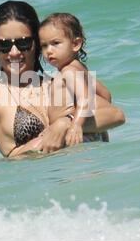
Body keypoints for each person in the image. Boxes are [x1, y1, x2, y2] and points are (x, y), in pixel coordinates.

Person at [0, 0, 125, 158]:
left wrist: (65, 123)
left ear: (37, 44)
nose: (13, 52)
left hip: (82, 184)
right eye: (3, 46)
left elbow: (116, 115)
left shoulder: (60, 82)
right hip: (31, 192)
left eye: (23, 43)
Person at [39, 12, 114, 146]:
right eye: (44, 46)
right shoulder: (80, 69)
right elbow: (106, 95)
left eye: (55, 43)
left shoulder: (68, 71)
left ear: (75, 44)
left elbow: (85, 98)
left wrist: (76, 124)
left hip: (74, 133)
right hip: (87, 132)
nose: (48, 51)